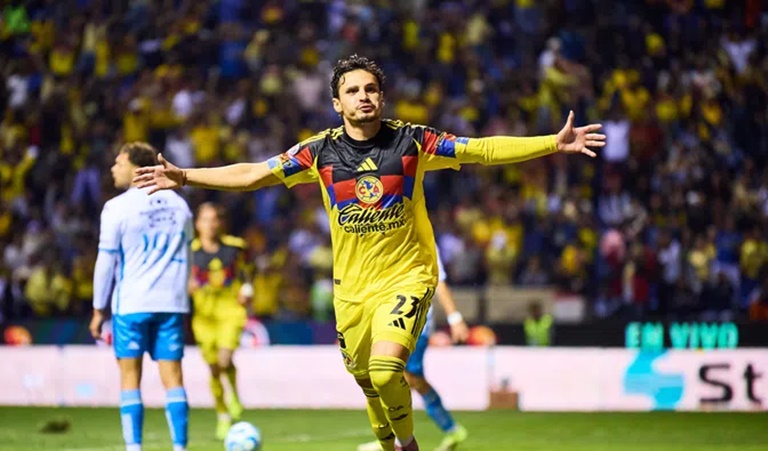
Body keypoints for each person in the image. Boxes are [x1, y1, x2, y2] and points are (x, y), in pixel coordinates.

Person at [133, 54, 605, 451]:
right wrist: (186, 176)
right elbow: (254, 173)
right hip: (352, 292)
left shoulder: (412, 142)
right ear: (337, 103)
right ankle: (389, 443)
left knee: (384, 371)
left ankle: (409, 445)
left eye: (371, 89)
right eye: (353, 90)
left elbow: (481, 149)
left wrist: (552, 142)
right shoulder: (318, 153)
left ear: (382, 97)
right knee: (368, 384)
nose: (363, 96)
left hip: (407, 277)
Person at [89, 142, 194, 451]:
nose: (113, 168)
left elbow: (106, 261)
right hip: (171, 303)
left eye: (119, 163)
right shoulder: (180, 206)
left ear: (137, 169)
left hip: (132, 304)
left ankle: (134, 447)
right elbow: (187, 254)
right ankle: (180, 447)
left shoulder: (117, 207)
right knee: (173, 377)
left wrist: (98, 309)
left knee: (129, 377)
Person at [358, 244, 469, 451]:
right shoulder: (386, 238)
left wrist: (454, 318)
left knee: (403, 377)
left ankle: (402, 436)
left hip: (415, 322)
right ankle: (397, 436)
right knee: (401, 378)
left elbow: (439, 282)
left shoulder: (423, 240)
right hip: (389, 320)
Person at [190, 202, 253, 439]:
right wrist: (187, 286)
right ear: (197, 224)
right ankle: (222, 414)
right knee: (214, 368)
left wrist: (247, 290)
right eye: (205, 220)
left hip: (230, 311)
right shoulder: (190, 251)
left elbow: (248, 272)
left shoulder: (236, 247)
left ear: (221, 222)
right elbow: (182, 278)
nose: (210, 224)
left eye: (214, 219)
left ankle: (234, 393)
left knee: (224, 359)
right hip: (204, 317)